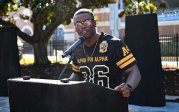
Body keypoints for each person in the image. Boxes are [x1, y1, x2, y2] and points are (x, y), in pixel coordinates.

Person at [69, 8, 141, 98]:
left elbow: (134, 71)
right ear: (75, 27)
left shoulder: (114, 44)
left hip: (112, 101)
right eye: (78, 23)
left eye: (87, 21)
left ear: (95, 23)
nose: (83, 26)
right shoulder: (76, 48)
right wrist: (67, 84)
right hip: (87, 102)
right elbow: (76, 73)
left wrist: (128, 87)